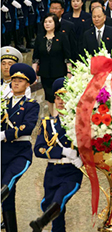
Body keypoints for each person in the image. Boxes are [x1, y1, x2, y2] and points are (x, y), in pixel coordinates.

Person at [30, 78, 83, 232]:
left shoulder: (80, 124)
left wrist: (81, 159)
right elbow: (38, 149)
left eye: (65, 98)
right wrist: (62, 151)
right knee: (51, 206)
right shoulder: (47, 124)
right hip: (52, 172)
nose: (60, 102)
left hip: (71, 171)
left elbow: (90, 147)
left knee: (59, 199)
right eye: (58, 98)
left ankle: (41, 222)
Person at [1, 64, 40, 231]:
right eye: (14, 80)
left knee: (5, 185)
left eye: (20, 81)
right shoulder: (3, 103)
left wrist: (5, 135)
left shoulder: (32, 105)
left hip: (20, 153)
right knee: (7, 198)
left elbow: (28, 126)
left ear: (27, 84)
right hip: (3, 152)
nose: (16, 83)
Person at [32, 13, 72, 106]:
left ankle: (59, 117)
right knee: (49, 97)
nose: (47, 24)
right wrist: (33, 73)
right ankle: (51, 117)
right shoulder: (40, 38)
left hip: (59, 72)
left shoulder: (62, 37)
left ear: (55, 23)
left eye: (50, 22)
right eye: (45, 22)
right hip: (45, 74)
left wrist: (69, 72)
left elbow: (67, 57)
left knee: (59, 97)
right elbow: (35, 58)